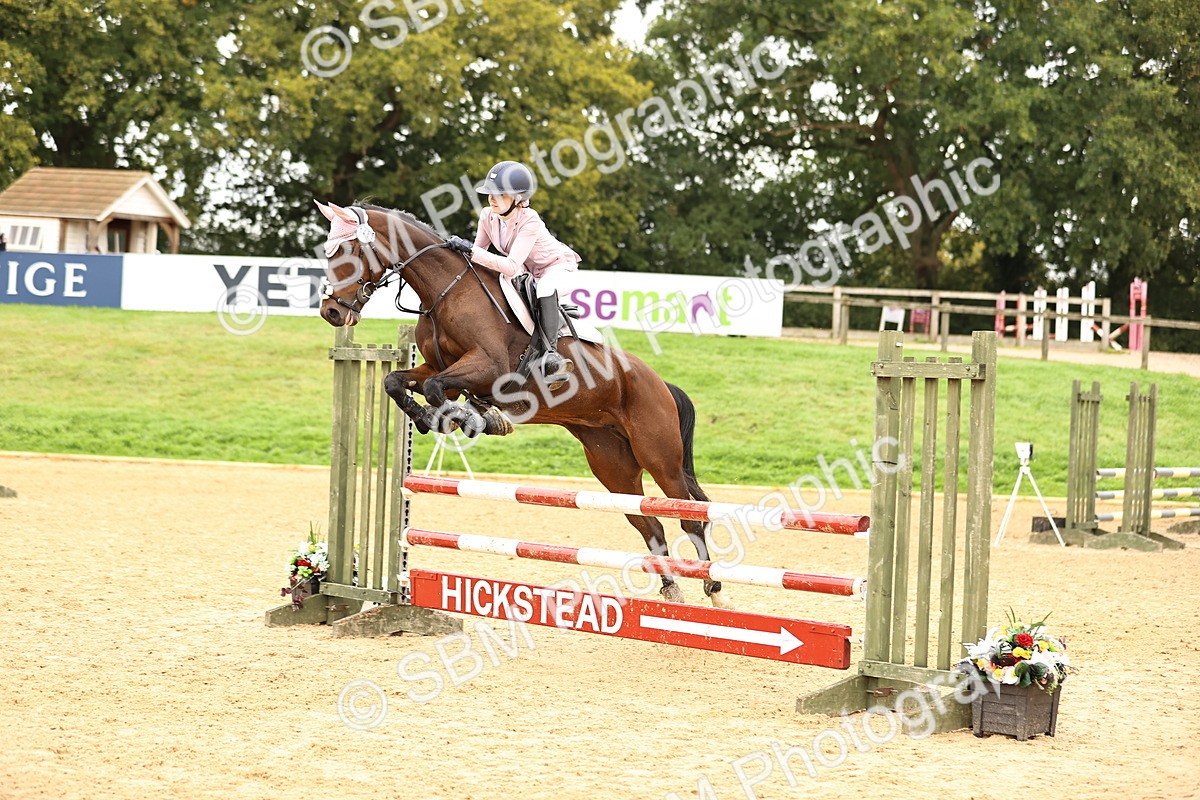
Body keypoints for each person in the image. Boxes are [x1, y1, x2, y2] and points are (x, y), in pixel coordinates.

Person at [445, 161, 580, 384]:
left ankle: (551, 355)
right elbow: (478, 254)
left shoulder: (530, 220)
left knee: (545, 287)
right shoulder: (487, 216)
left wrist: (469, 249)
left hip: (558, 268)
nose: (491, 198)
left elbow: (510, 265)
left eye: (500, 194)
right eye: (490, 193)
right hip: (528, 273)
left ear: (518, 197)